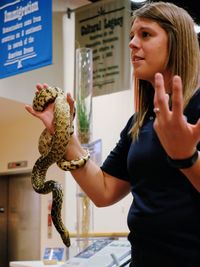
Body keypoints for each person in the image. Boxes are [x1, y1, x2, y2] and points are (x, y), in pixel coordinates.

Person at [25, 2, 200, 266]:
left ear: (176, 41)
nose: (131, 43)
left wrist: (186, 157)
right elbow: (104, 191)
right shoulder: (139, 123)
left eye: (145, 34)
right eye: (131, 35)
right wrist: (64, 134)